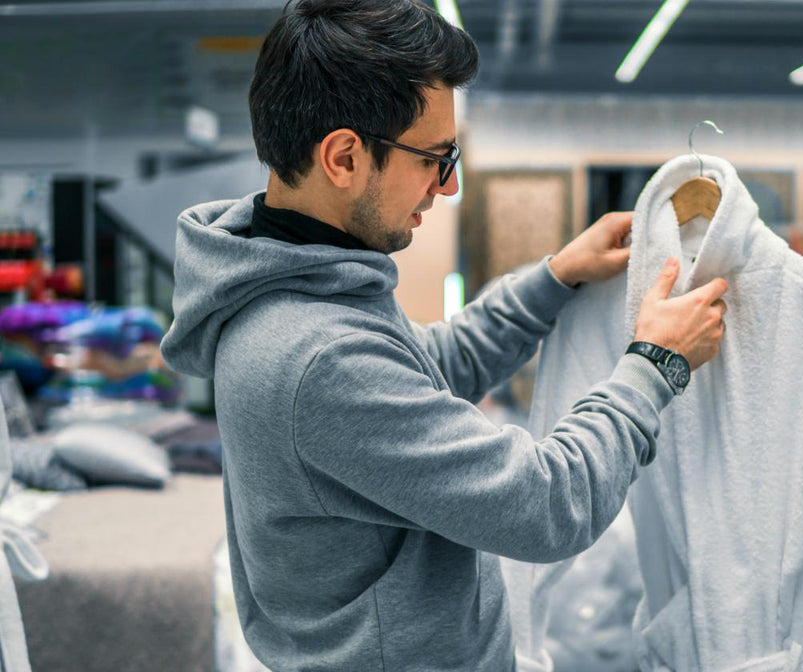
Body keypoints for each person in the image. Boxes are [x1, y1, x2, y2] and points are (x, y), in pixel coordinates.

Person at [159, 1, 727, 670]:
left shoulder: (294, 278)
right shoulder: (316, 355)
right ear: (344, 157)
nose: (448, 185)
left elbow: (427, 366)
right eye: (435, 157)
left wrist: (553, 279)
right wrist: (653, 365)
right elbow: (545, 504)